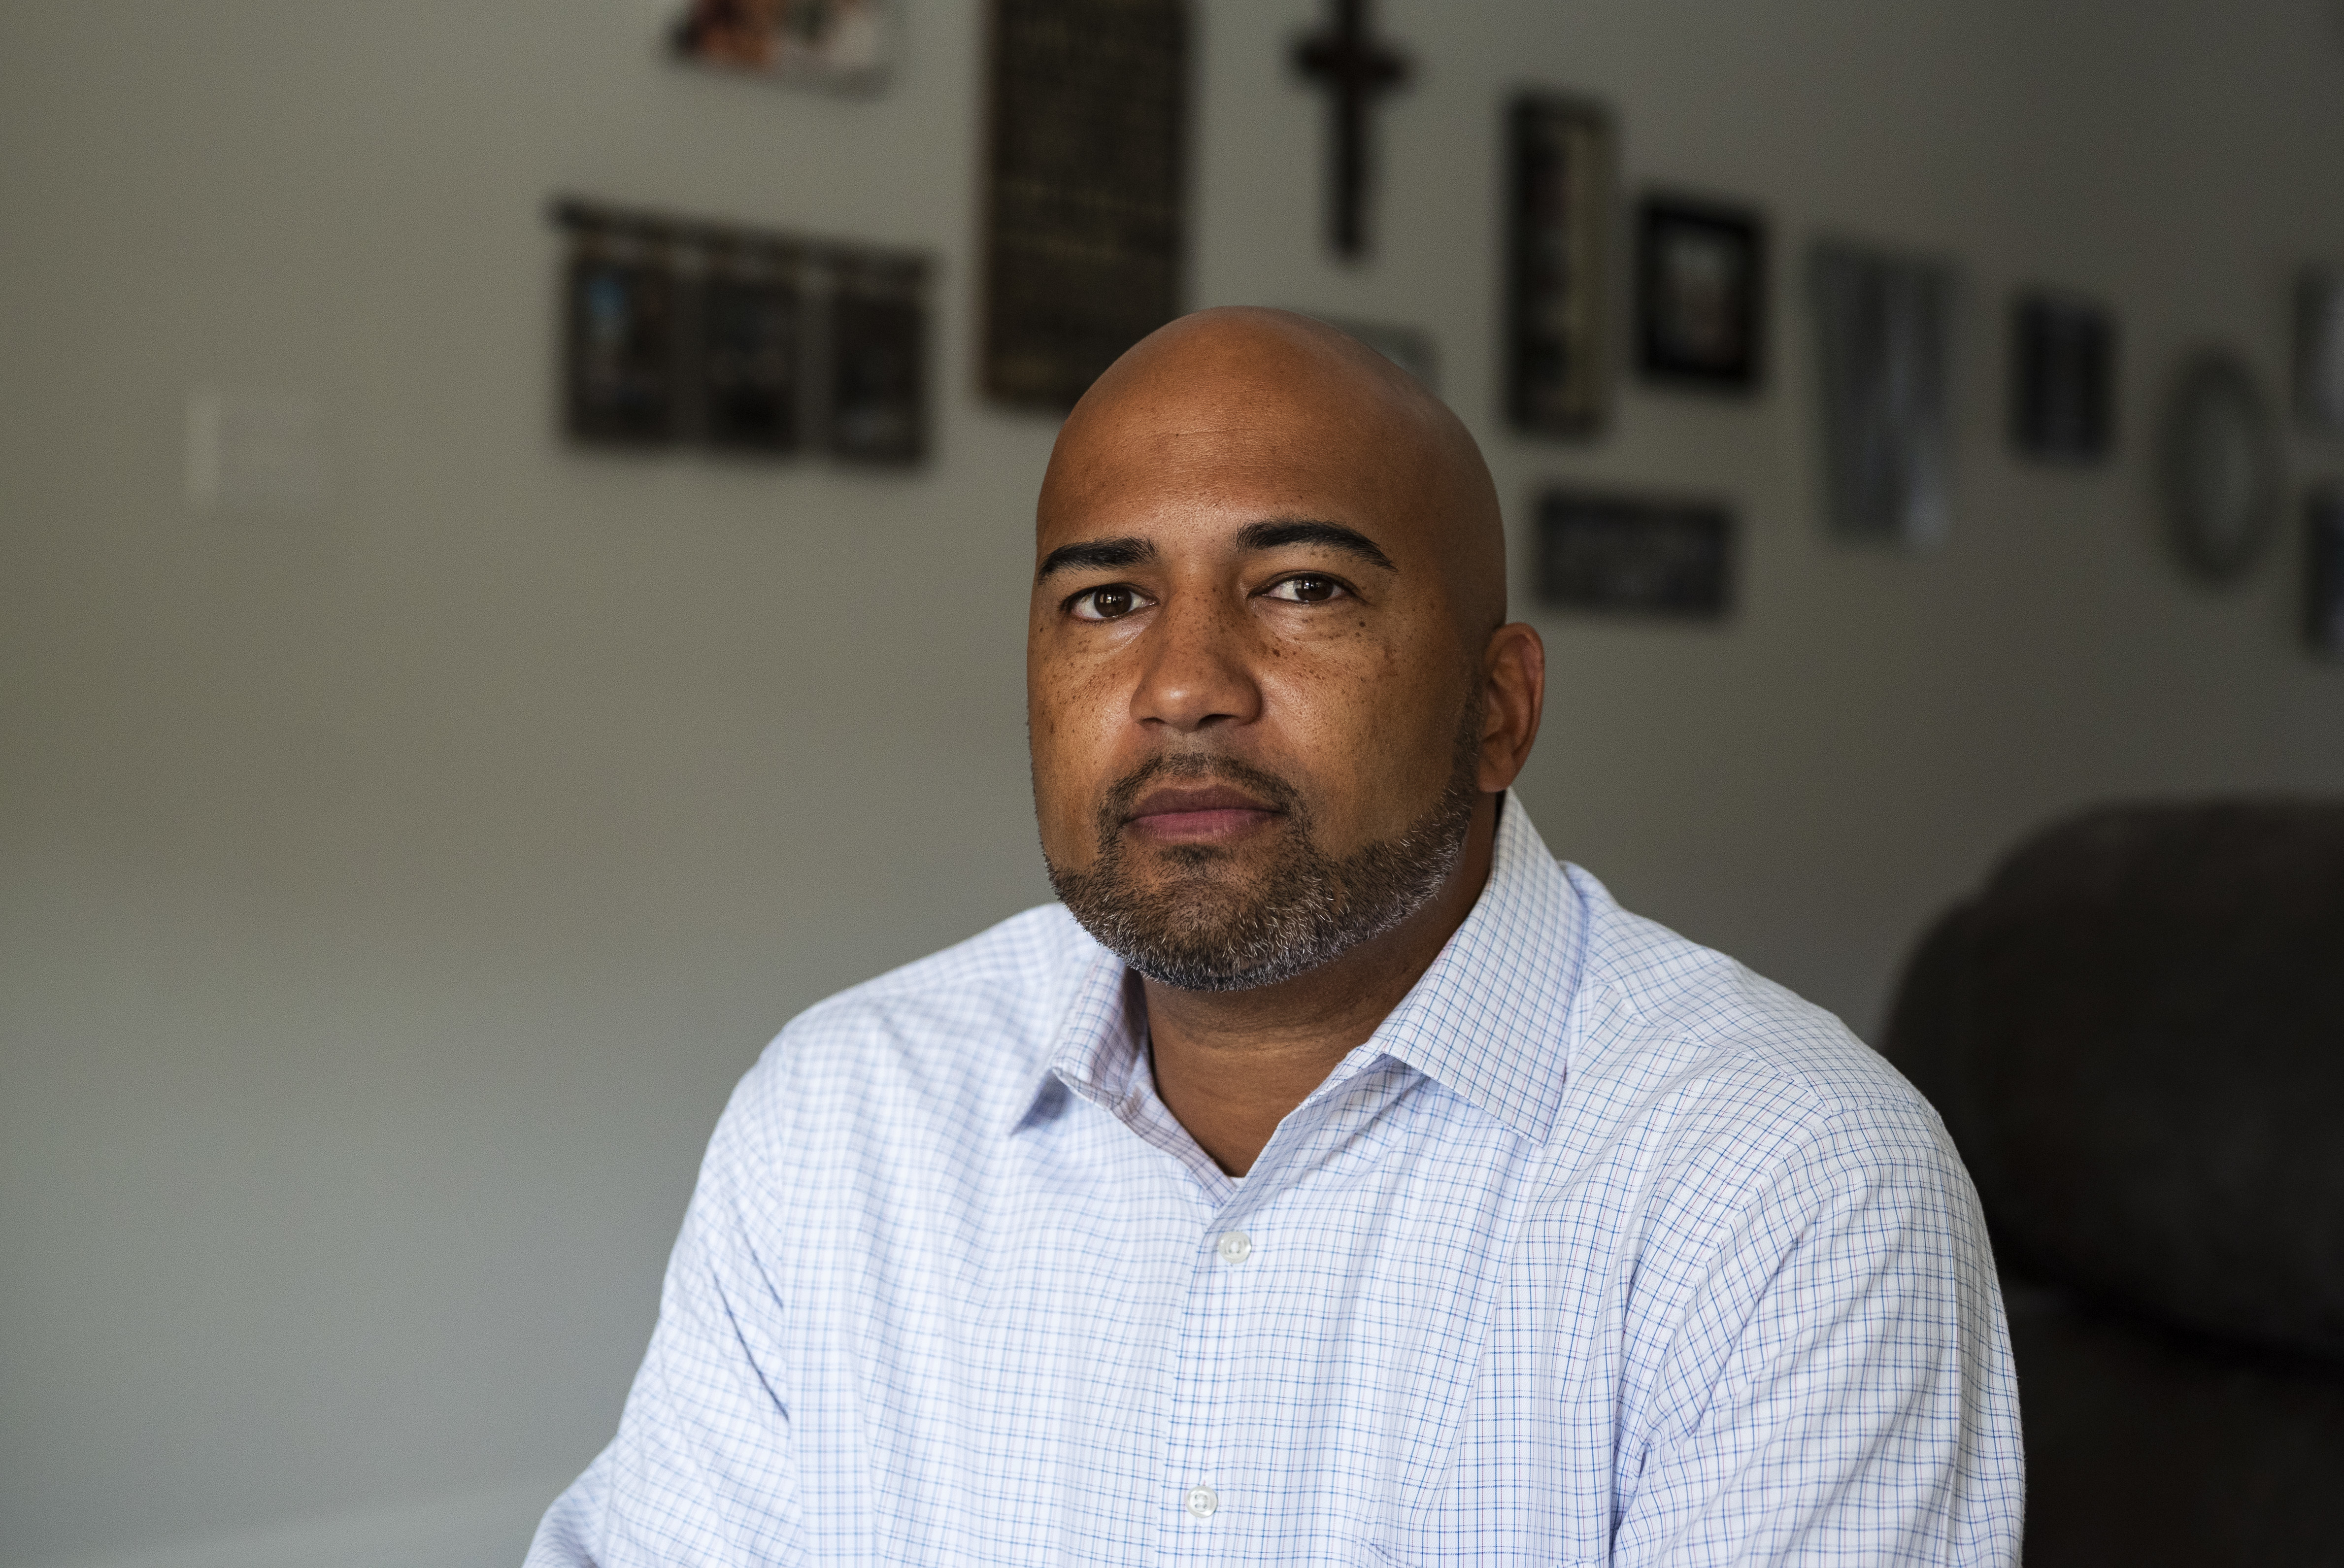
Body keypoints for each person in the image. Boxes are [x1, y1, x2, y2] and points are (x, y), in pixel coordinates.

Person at [528, 308, 2023, 1566]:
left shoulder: (1786, 1184)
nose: (1184, 686)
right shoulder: (844, 1116)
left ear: (1498, 708)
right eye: (1108, 600)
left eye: (1303, 590)